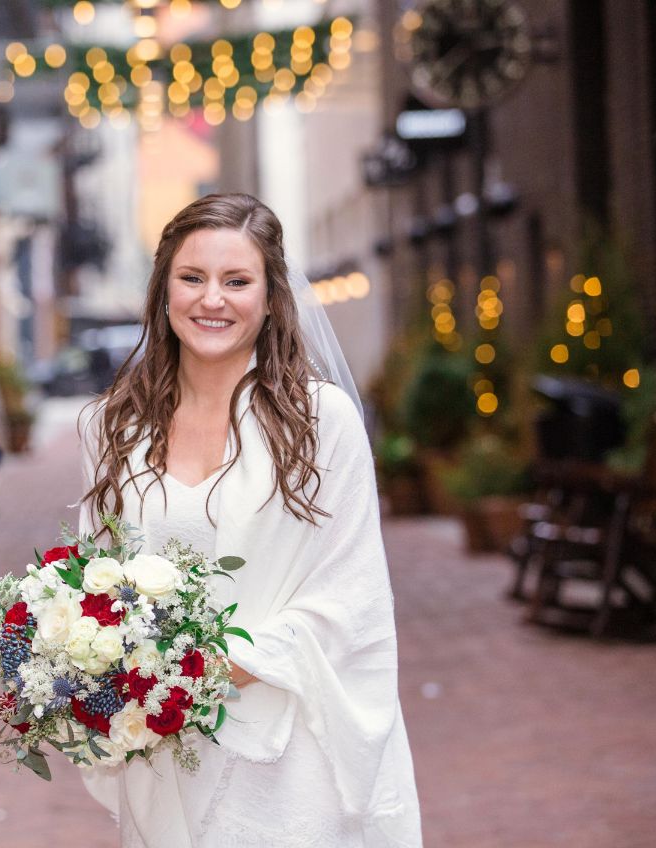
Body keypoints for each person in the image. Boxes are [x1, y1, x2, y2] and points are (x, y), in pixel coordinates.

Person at [77, 193, 422, 846]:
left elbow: (352, 593)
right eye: (192, 278)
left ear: (269, 298)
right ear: (163, 290)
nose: (212, 299)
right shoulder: (111, 425)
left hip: (289, 745)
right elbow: (100, 580)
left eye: (236, 281)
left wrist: (213, 666)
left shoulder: (321, 423)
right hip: (162, 741)